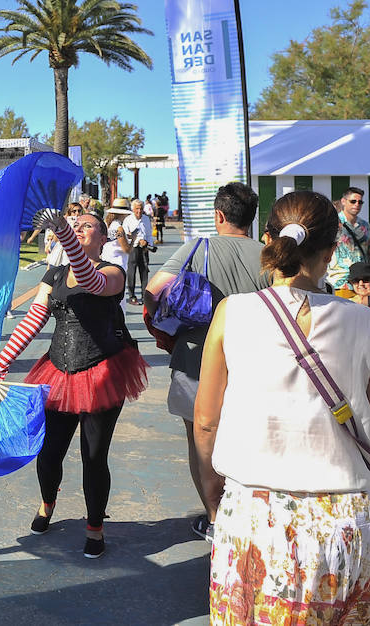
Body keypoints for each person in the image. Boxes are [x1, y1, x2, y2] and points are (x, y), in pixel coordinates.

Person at [195, 190, 370, 625]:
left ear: (268, 238)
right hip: (346, 522)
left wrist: (212, 489)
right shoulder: (366, 322)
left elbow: (206, 421)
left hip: (255, 513)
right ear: (331, 251)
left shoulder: (233, 312)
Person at [0, 207, 147, 558]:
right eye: (75, 225)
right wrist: (2, 362)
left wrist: (63, 231)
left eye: (87, 225)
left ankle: (95, 527)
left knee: (93, 456)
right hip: (58, 371)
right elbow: (33, 320)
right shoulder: (54, 273)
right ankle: (48, 501)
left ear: (103, 239)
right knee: (49, 452)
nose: (79, 228)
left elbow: (90, 281)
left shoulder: (113, 273)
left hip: (103, 371)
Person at [143, 182, 264, 539]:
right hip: (253, 362)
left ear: (219, 215)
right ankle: (249, 513)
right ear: (251, 218)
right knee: (249, 439)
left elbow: (153, 291)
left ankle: (215, 518)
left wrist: (171, 324)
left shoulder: (198, 247)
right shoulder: (268, 255)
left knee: (200, 440)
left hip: (195, 357)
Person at [329, 186, 370, 290]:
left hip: (361, 282)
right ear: (343, 201)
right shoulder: (333, 223)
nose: (357, 205)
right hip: (339, 281)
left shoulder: (365, 225)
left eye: (360, 202)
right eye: (353, 201)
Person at [122, 198, 153, 306]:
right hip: (133, 248)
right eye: (136, 209)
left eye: (140, 209)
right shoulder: (128, 220)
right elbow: (124, 235)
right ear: (133, 209)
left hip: (144, 248)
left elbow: (149, 234)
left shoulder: (146, 219)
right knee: (131, 272)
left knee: (144, 272)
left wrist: (149, 244)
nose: (139, 211)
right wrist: (135, 239)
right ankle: (132, 296)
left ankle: (145, 296)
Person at [101, 197, 132, 272]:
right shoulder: (119, 228)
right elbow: (126, 249)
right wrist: (133, 239)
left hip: (106, 259)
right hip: (118, 262)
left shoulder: (106, 224)